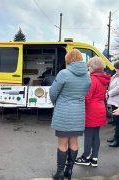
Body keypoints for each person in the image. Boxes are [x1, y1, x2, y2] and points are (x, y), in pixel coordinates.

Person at [49, 49, 91, 180]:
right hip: (78, 112)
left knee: (62, 143)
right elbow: (84, 92)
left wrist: (56, 101)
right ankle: (69, 171)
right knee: (74, 141)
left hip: (64, 112)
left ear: (68, 59)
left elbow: (53, 92)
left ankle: (60, 173)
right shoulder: (87, 75)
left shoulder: (64, 73)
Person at [75, 57, 111, 167]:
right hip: (100, 107)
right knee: (96, 135)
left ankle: (85, 157)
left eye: (89, 66)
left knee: (88, 135)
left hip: (91, 109)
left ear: (94, 67)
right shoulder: (104, 78)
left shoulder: (92, 79)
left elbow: (87, 97)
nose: (88, 68)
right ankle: (94, 158)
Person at [106, 60, 119, 147]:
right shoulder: (116, 75)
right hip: (115, 101)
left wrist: (108, 93)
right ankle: (115, 137)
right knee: (115, 121)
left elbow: (118, 88)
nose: (114, 68)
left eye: (115, 67)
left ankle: (117, 140)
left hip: (117, 101)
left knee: (118, 122)